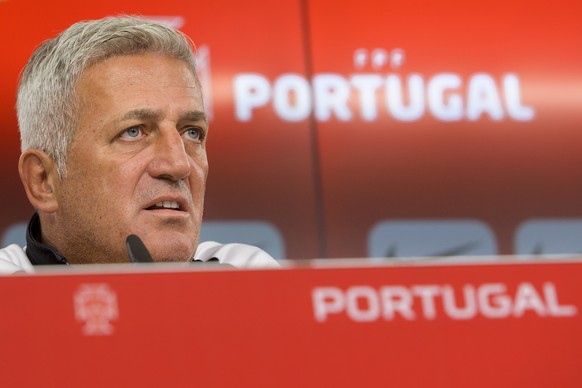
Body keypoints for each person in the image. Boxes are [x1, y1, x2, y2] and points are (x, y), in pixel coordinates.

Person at [0, 16, 278, 274]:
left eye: (192, 133)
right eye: (133, 132)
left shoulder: (250, 276)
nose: (178, 165)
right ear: (44, 180)